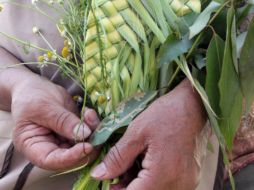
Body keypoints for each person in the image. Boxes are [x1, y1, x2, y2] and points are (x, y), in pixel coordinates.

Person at [0, 1, 214, 190]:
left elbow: (240, 18)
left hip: (173, 158)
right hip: (29, 155)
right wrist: (19, 86)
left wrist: (195, 102)